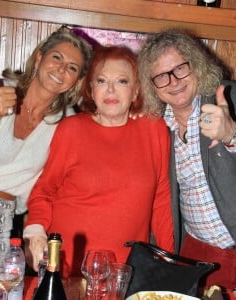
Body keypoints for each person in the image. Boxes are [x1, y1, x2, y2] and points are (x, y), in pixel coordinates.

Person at [137, 28, 236, 291]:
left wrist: (233, 134)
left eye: (180, 68)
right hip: (194, 251)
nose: (174, 81)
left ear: (196, 64)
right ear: (151, 85)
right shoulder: (157, 127)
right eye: (161, 77)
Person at [23, 45, 174, 278]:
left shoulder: (153, 129)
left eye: (122, 81)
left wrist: (169, 262)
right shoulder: (71, 129)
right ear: (91, 90)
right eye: (102, 81)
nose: (111, 90)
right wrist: (35, 232)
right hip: (67, 265)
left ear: (135, 91)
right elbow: (45, 188)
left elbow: (162, 201)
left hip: (125, 271)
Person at [0, 26, 92, 272]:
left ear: (77, 82)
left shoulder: (67, 123)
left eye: (72, 68)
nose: (61, 69)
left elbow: (47, 187)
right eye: (57, 57)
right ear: (39, 58)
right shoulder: (1, 91)